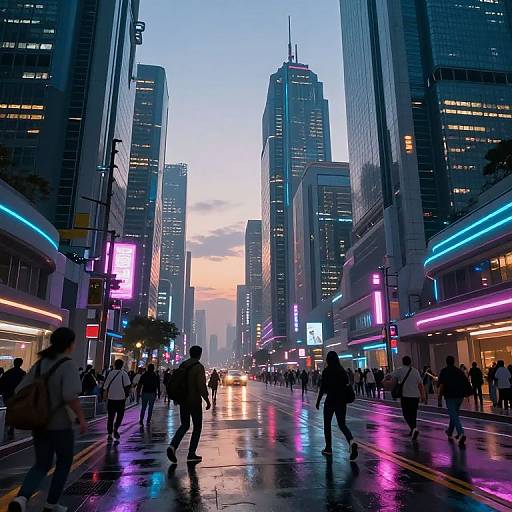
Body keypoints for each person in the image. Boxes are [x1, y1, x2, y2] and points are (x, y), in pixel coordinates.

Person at [8, 328, 86, 512]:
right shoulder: (67, 364)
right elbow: (70, 395)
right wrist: (81, 418)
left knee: (41, 463)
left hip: (39, 422)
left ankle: (21, 498)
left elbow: (20, 389)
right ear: (69, 344)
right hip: (59, 424)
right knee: (64, 461)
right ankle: (51, 503)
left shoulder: (40, 364)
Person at [167, 346, 211, 464]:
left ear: (190, 353)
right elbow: (201, 386)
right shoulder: (199, 367)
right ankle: (191, 453)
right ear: (200, 354)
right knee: (197, 427)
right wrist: (207, 400)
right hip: (194, 401)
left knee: (184, 425)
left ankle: (172, 446)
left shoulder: (183, 365)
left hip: (183, 400)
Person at [316, 351, 358, 460]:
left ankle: (328, 448)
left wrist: (318, 400)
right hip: (341, 400)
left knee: (327, 424)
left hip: (330, 400)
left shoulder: (326, 371)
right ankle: (351, 441)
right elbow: (346, 385)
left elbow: (323, 387)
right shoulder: (342, 371)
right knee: (342, 424)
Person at [438, 355, 471, 447]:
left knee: (453, 415)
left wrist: (439, 398)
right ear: (454, 361)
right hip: (460, 396)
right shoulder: (459, 371)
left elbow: (442, 385)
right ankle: (449, 431)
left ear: (446, 362)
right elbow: (465, 382)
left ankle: (461, 433)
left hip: (450, 396)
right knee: (454, 414)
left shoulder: (444, 371)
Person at [391, 356, 425, 441]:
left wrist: (393, 393)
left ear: (402, 362)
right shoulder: (415, 371)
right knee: (413, 414)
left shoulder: (399, 370)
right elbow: (420, 384)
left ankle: (413, 428)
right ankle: (413, 429)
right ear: (410, 362)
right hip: (415, 396)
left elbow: (394, 383)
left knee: (406, 414)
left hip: (405, 396)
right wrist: (423, 395)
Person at [103, 359, 131, 441]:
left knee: (110, 417)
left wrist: (104, 398)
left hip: (111, 398)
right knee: (120, 416)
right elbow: (128, 386)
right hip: (121, 399)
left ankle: (109, 434)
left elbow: (105, 387)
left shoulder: (110, 373)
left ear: (115, 365)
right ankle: (116, 428)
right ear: (122, 365)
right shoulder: (124, 374)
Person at [0, 358, 26, 439]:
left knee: (6, 409)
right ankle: (11, 428)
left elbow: (2, 382)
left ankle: (5, 424)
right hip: (16, 395)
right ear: (21, 364)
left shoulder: (8, 372)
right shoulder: (23, 373)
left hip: (7, 394)